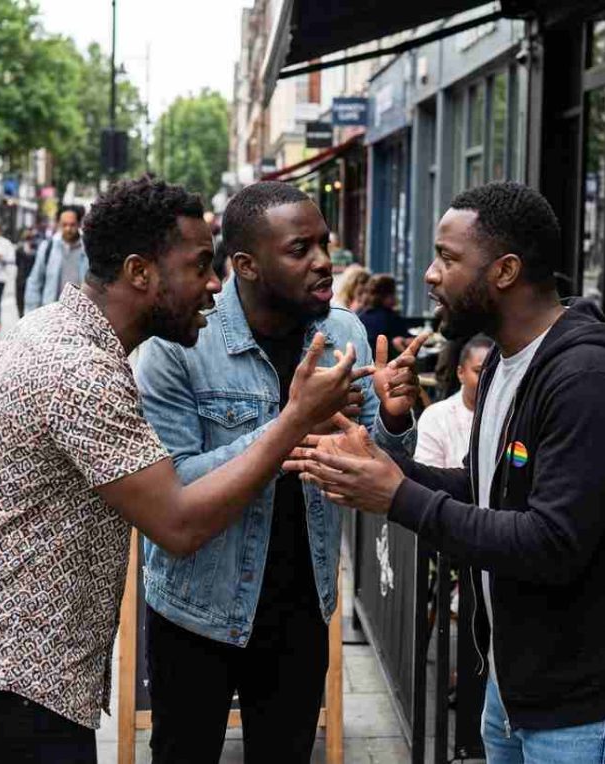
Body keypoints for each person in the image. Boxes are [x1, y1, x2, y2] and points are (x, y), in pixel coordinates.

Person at [0, 177, 365, 764]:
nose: (213, 285)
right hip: (12, 674)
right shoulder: (81, 371)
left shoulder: (52, 329)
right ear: (139, 272)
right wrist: (296, 420)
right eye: (200, 265)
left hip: (9, 669)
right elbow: (177, 524)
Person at [295, 182, 605, 762]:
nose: (429, 274)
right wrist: (382, 463)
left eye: (447, 258)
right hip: (515, 684)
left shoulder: (587, 381)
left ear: (504, 271)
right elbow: (484, 493)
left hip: (587, 704)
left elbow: (552, 543)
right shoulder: (502, 360)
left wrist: (397, 496)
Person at [135, 181, 421, 763]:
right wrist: (293, 422)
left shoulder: (343, 335)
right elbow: (177, 486)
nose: (324, 263)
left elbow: (374, 467)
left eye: (325, 244)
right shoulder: (180, 344)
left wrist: (393, 420)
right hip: (197, 610)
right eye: (300, 250)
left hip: (301, 608)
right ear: (246, 265)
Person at [414, 334, 492, 468]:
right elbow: (429, 479)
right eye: (478, 372)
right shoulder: (436, 417)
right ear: (460, 373)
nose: (487, 380)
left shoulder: (513, 416)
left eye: (493, 373)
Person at [25, 206, 86, 312]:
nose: (68, 229)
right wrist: (31, 313)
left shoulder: (88, 249)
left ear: (79, 224)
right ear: (58, 224)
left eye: (72, 225)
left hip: (80, 314)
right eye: (64, 225)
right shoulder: (47, 247)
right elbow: (35, 282)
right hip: (52, 312)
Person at [357, 273, 412, 355]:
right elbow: (407, 340)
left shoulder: (360, 316)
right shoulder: (390, 318)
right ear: (387, 295)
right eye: (393, 293)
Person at [14, 228, 38, 318]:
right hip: (21, 277)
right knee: (20, 299)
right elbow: (17, 262)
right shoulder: (19, 248)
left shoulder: (36, 247)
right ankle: (21, 315)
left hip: (31, 277)